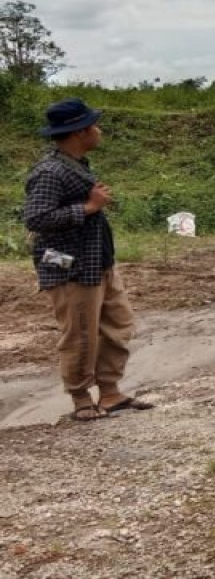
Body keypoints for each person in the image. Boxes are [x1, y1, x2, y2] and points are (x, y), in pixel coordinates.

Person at [22, 98, 154, 422]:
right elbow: (36, 218)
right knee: (80, 334)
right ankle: (81, 399)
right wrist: (88, 207)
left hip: (98, 263)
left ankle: (109, 393)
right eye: (94, 126)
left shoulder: (76, 165)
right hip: (72, 267)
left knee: (118, 325)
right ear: (80, 132)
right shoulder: (50, 172)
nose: (99, 130)